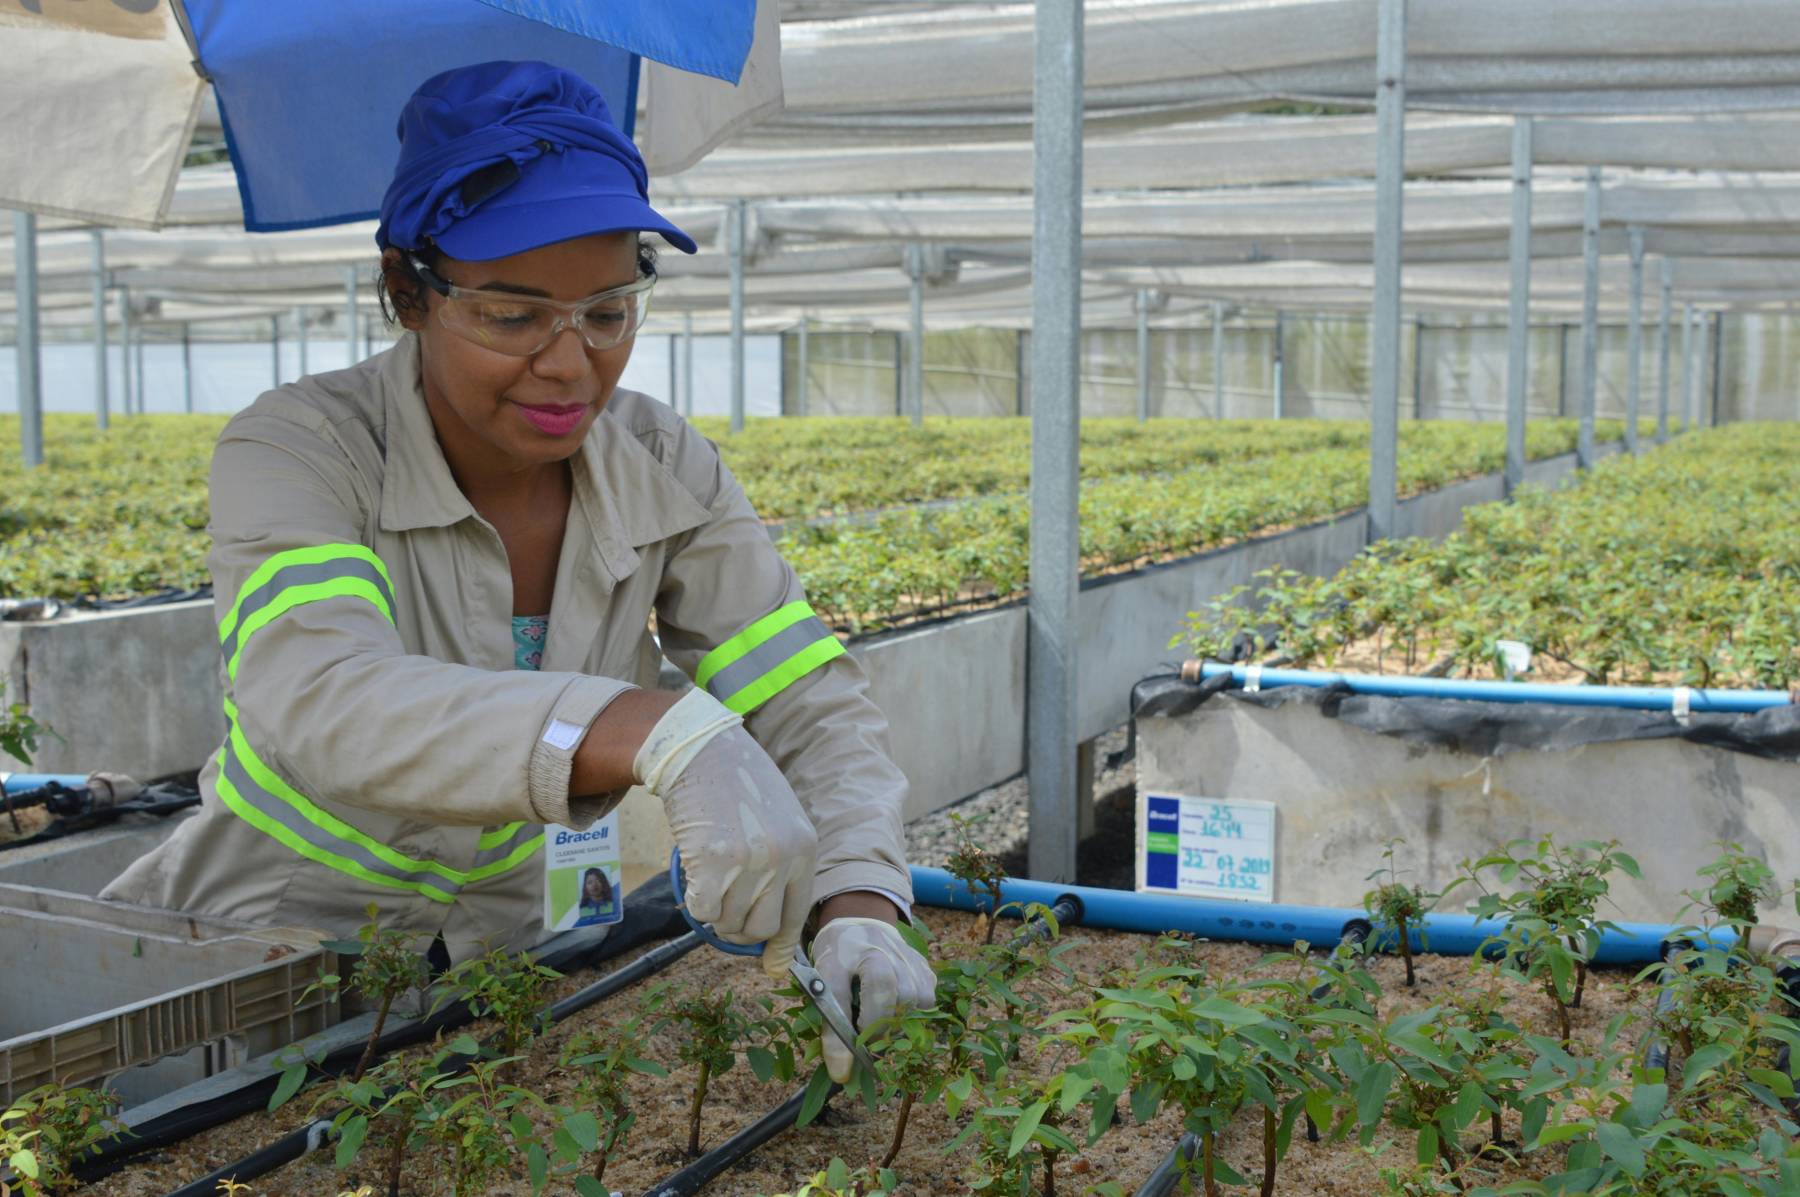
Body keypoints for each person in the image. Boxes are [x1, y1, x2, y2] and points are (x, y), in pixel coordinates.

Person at [101, 60, 934, 1083]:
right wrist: (647, 729)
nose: (568, 362)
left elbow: (805, 700)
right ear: (408, 291)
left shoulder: (662, 467)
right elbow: (319, 699)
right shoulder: (304, 449)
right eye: (512, 315)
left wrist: (859, 898)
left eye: (608, 312)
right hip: (262, 943)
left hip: (494, 958)